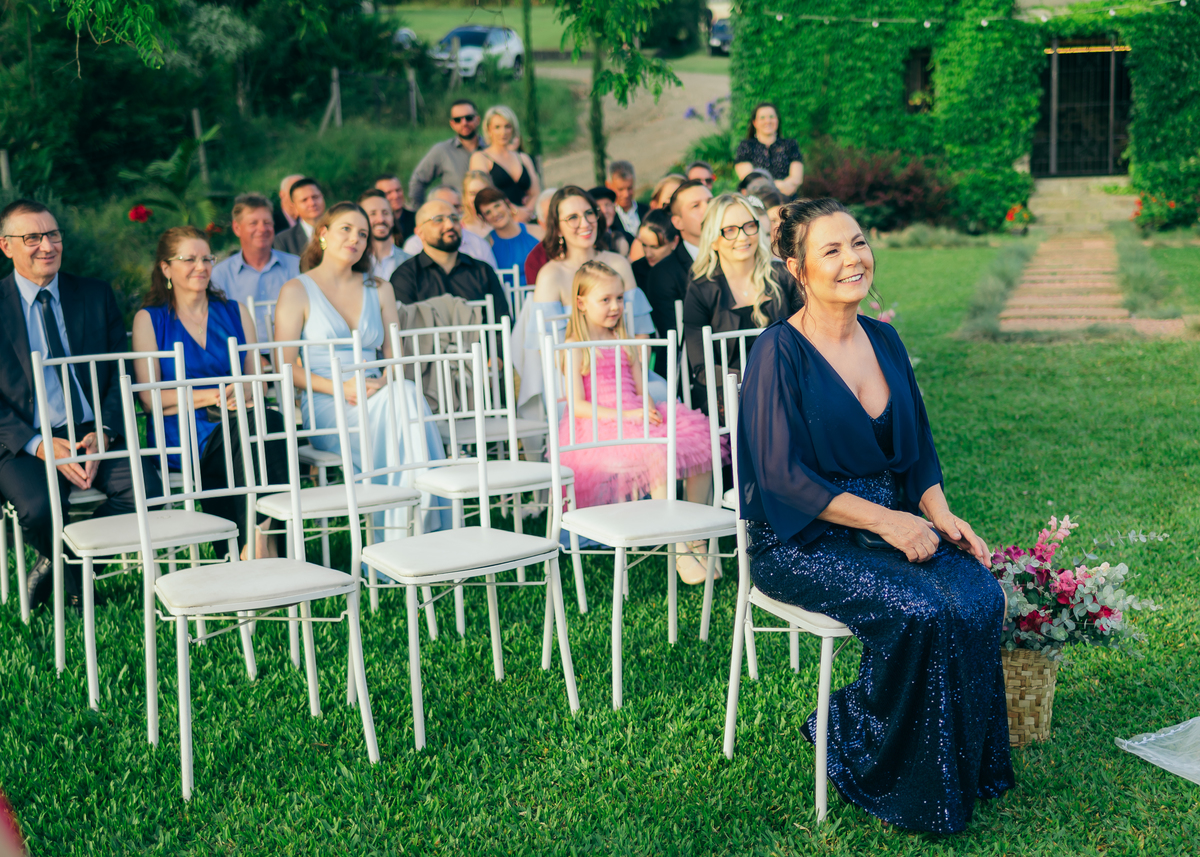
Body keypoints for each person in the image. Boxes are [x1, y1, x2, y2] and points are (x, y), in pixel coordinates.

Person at [737, 198, 1013, 833]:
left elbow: (916, 451)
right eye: (830, 250)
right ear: (796, 268)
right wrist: (888, 522)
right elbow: (781, 477)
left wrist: (942, 516)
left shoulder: (884, 338)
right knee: (919, 611)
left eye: (857, 243)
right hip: (801, 537)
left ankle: (961, 767)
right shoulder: (777, 351)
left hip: (891, 524)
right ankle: (852, 736)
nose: (851, 259)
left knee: (977, 594)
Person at [0, 200, 162, 609]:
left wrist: (103, 431)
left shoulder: (94, 294)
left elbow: (117, 373)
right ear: (6, 246)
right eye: (31, 237)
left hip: (91, 427)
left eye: (53, 234)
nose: (46, 245)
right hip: (23, 439)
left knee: (147, 492)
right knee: (38, 510)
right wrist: (38, 444)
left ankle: (63, 565)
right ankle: (69, 574)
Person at [274, 202, 449, 536]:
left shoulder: (379, 288)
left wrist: (384, 379)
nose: (355, 238)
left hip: (381, 390)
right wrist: (342, 388)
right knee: (405, 401)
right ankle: (418, 524)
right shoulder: (296, 290)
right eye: (346, 229)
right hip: (328, 401)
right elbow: (285, 367)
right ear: (323, 234)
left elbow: (395, 357)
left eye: (363, 234)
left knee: (404, 393)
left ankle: (411, 526)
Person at [557, 261, 720, 583]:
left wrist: (648, 410)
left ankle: (695, 536)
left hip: (636, 413)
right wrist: (628, 416)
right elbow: (577, 405)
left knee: (701, 442)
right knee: (656, 455)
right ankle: (678, 549)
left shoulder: (624, 338)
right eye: (605, 300)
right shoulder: (576, 346)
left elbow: (639, 386)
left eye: (619, 298)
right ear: (581, 302)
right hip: (599, 424)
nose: (615, 307)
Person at [132, 226, 288, 559]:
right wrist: (217, 394)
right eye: (189, 259)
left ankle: (255, 542)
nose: (200, 267)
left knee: (266, 422)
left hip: (240, 419)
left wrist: (245, 387)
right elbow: (150, 398)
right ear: (165, 268)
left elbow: (256, 376)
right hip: (188, 434)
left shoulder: (234, 312)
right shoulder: (150, 320)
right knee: (261, 428)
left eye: (206, 259)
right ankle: (266, 542)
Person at [513, 186, 660, 421]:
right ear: (557, 226)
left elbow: (641, 333)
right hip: (575, 379)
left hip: (629, 370)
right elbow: (550, 348)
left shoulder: (619, 264)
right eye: (572, 217)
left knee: (660, 400)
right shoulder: (550, 275)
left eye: (589, 213)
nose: (585, 223)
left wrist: (634, 377)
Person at [682, 193, 800, 409]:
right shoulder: (701, 290)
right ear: (713, 241)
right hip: (728, 393)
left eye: (749, 226)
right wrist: (757, 380)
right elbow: (701, 367)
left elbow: (808, 337)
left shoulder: (783, 276)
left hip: (788, 383)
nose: (743, 237)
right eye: (729, 230)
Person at [391, 199, 510, 316]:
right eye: (438, 220)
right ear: (419, 232)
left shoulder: (483, 271)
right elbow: (404, 328)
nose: (450, 225)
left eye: (454, 218)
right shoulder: (405, 277)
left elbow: (503, 323)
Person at [210, 193, 301, 340]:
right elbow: (220, 326)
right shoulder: (219, 275)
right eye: (253, 223)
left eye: (267, 223)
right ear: (237, 228)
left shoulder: (297, 266)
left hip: (294, 352)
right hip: (244, 355)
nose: (262, 229)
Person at [642, 179, 712, 359]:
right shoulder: (663, 274)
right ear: (678, 222)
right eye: (695, 206)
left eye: (710, 202)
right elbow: (678, 338)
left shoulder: (736, 257)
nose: (707, 210)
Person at [468, 106, 540, 222]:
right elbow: (484, 194)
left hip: (528, 219)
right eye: (497, 127)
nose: (503, 132)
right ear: (489, 130)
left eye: (507, 126)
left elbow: (536, 192)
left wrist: (526, 212)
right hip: (500, 221)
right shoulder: (480, 158)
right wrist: (514, 211)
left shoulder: (523, 158)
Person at [408, 99, 482, 209]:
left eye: (469, 118)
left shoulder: (491, 149)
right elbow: (418, 180)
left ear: (477, 119)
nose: (464, 123)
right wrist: (419, 211)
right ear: (452, 124)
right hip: (457, 216)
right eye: (458, 120)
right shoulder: (442, 151)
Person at [401, 186, 498, 269]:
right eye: (443, 205)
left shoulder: (478, 244)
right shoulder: (414, 245)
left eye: (456, 206)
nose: (451, 211)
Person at [734, 102, 804, 197]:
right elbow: (749, 179)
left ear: (777, 120)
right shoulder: (746, 146)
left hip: (786, 200)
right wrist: (777, 187)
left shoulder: (790, 145)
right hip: (757, 201)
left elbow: (796, 178)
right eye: (762, 118)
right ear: (755, 123)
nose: (768, 121)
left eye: (772, 117)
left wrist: (781, 188)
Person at [475, 186, 542, 286]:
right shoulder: (485, 246)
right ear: (483, 218)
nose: (495, 213)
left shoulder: (537, 232)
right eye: (488, 212)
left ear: (507, 203)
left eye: (497, 206)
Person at [357, 189, 412, 283]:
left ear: (393, 219)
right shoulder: (354, 262)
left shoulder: (410, 262)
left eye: (385, 213)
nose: (381, 219)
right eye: (373, 214)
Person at [630, 209, 680, 297]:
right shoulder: (636, 270)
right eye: (644, 245)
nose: (648, 254)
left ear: (674, 242)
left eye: (655, 247)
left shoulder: (686, 270)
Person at [273, 177, 326, 257]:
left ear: (322, 197)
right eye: (304, 200)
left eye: (315, 197)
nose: (312, 203)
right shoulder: (284, 240)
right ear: (294, 206)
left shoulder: (341, 229)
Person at [523, 187, 558, 285]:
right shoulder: (535, 258)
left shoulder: (587, 244)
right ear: (542, 223)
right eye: (550, 216)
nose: (558, 219)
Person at [606, 160, 648, 239]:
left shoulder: (647, 211)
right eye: (620, 189)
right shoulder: (608, 220)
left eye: (629, 188)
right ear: (608, 186)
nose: (626, 194)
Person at [374, 173, 417, 244]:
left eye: (398, 190)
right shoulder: (376, 224)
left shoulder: (416, 220)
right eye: (388, 193)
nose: (395, 196)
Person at [460, 170, 496, 241]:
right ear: (465, 196)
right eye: (472, 193)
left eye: (482, 192)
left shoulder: (500, 219)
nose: (478, 197)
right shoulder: (460, 227)